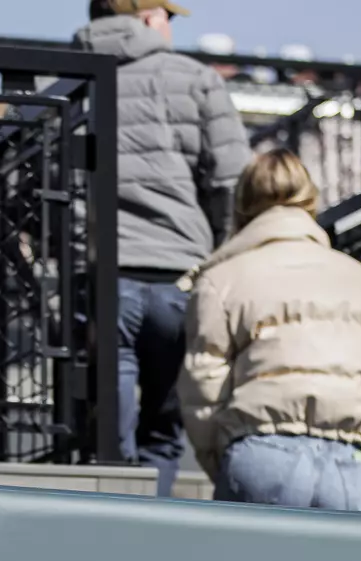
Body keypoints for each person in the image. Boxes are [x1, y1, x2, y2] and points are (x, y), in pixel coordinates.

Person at [74, 0, 250, 497]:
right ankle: (152, 519)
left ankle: (111, 515)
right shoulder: (195, 79)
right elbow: (233, 180)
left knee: (109, 429)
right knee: (165, 426)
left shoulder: (66, 81)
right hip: (182, 276)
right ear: (151, 18)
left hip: (105, 277)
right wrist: (219, 253)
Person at [178, 149, 361, 510]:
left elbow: (203, 385)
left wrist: (221, 458)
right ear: (309, 200)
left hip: (261, 448)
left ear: (243, 205)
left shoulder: (220, 280)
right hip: (352, 462)